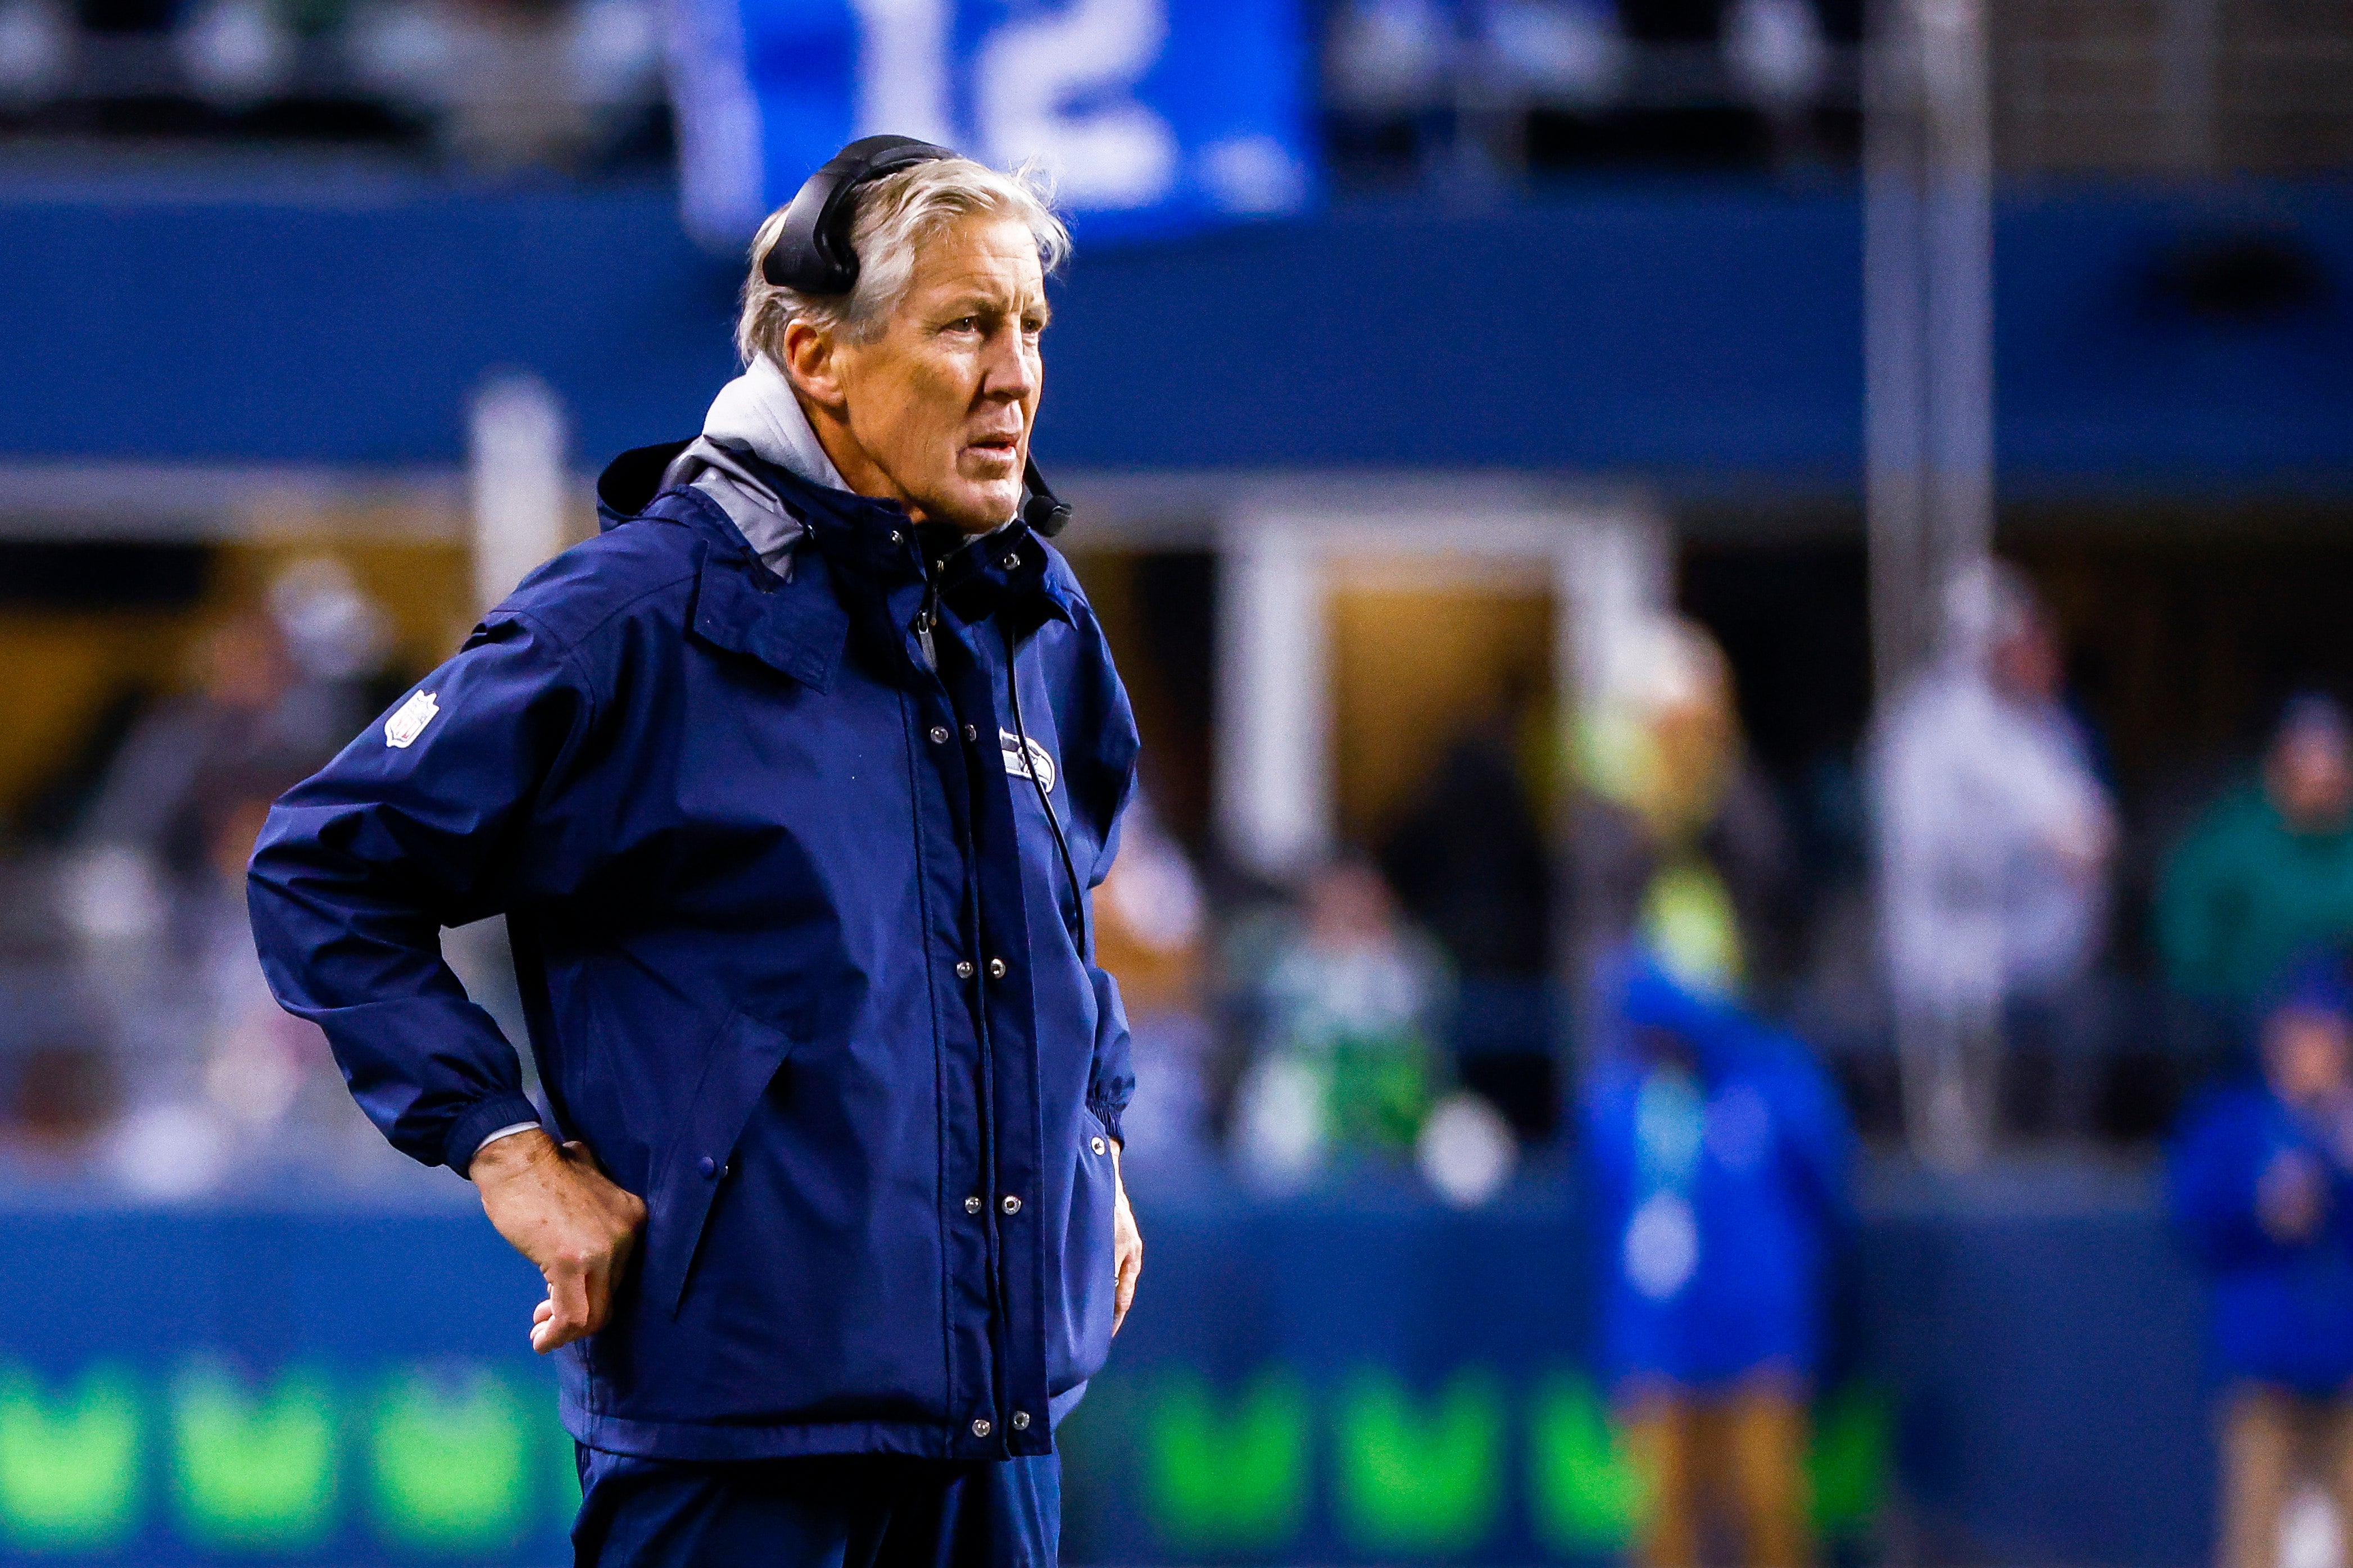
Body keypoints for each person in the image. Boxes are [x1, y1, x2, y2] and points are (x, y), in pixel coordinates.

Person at [247, 137, 1143, 1568]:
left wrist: (1094, 1127)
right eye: (968, 324)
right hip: (734, 1436)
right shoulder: (632, 620)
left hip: (998, 1434)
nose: (1015, 374)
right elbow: (320, 866)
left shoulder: (1031, 620)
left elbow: (1060, 914)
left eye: (1030, 326)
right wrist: (503, 1145)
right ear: (819, 354)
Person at [1579, 954, 1851, 1568]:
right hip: (1657, 1340)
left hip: (1760, 1335)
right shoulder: (1619, 1103)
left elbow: (1824, 1192)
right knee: (1659, 1515)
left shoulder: (1776, 1084)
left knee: (1767, 1503)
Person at [1868, 560, 2115, 1167]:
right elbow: (1925, 851)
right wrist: (2032, 842)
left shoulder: (2045, 725)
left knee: (2048, 1137)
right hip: (1950, 977)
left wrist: (2076, 840)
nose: (2031, 650)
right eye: (2012, 639)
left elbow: (2088, 822)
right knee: (1960, 1143)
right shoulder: (1923, 729)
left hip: (2043, 973)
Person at [2169, 962, 2353, 1568]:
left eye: (2326, 1031)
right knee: (2255, 1536)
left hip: (2345, 1364)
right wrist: (2259, 1206)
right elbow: (2190, 1212)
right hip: (2264, 1367)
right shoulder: (2236, 1117)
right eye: (2302, 1030)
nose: (2314, 1046)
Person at [2160, 695, 2353, 1022]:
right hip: (2239, 1022)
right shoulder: (2231, 836)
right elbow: (2186, 930)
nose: (2320, 783)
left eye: (2333, 769)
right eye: (2305, 769)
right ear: (2277, 767)